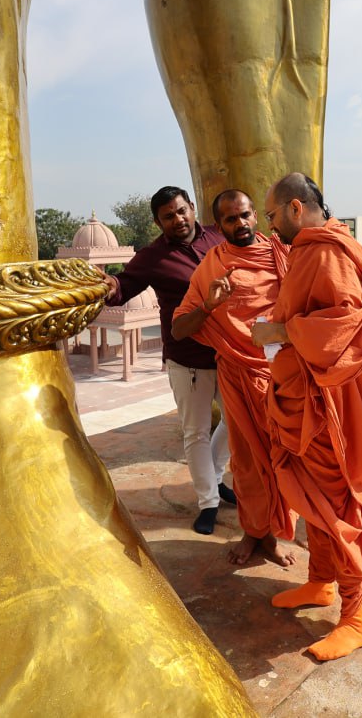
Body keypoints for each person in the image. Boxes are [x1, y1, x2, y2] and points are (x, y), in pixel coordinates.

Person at [251, 173, 362, 662]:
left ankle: (355, 617)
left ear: (296, 208)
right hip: (307, 399)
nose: (270, 226)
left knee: (340, 505)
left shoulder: (327, 251)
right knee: (313, 500)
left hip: (330, 409)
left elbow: (351, 324)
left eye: (273, 215)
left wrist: (279, 329)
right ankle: (320, 582)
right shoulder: (313, 249)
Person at [171, 189, 296, 568]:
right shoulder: (213, 265)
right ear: (219, 224)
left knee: (281, 459)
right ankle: (254, 532)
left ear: (255, 215)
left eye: (244, 216)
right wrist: (210, 305)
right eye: (230, 219)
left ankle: (272, 536)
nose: (239, 224)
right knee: (245, 462)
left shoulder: (284, 254)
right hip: (239, 375)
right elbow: (179, 328)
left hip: (283, 375)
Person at [100, 186, 235, 535]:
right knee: (196, 433)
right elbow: (123, 286)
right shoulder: (154, 257)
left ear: (191, 207)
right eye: (168, 217)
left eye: (181, 211)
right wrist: (106, 284)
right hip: (188, 358)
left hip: (229, 353)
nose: (177, 220)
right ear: (158, 222)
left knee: (238, 423)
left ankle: (215, 478)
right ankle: (208, 501)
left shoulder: (219, 238)